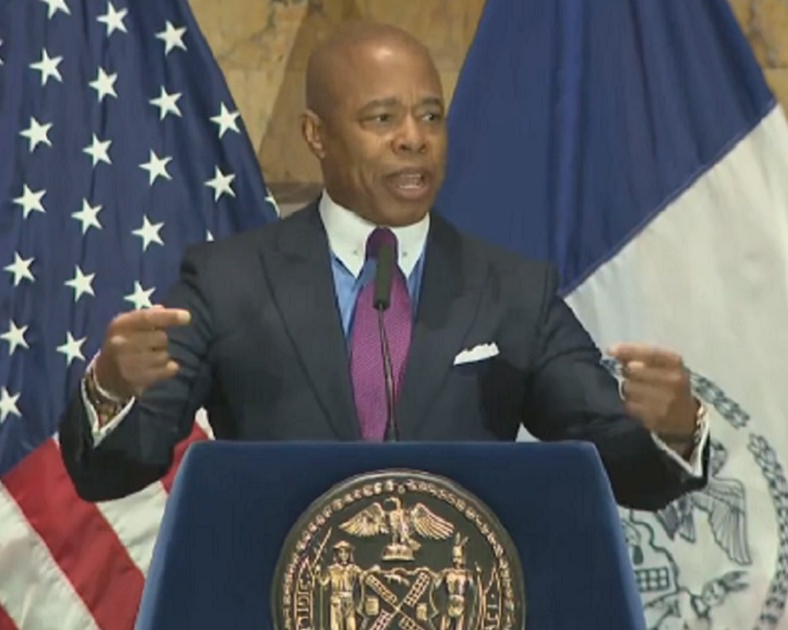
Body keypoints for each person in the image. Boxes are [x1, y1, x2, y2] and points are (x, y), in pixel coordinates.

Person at [59, 22, 711, 510]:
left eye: (430, 115)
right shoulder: (228, 281)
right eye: (382, 117)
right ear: (317, 135)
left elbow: (628, 470)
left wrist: (674, 429)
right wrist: (112, 389)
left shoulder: (512, 290)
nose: (414, 138)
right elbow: (112, 470)